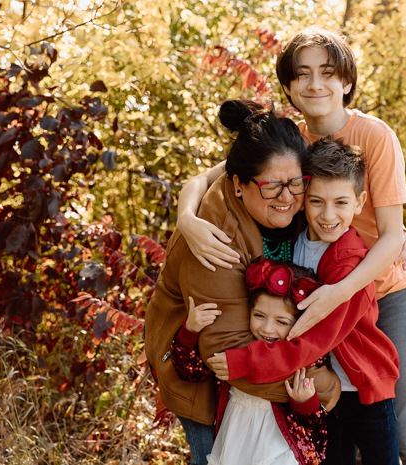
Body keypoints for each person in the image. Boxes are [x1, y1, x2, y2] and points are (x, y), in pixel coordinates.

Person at [176, 27, 406, 465]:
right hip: (314, 291)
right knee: (331, 416)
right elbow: (207, 178)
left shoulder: (375, 136)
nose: (315, 83)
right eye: (302, 74)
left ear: (347, 81)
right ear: (288, 86)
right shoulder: (292, 141)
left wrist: (337, 294)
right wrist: (186, 219)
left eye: (327, 72)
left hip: (381, 291)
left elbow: (393, 235)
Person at [143, 99, 341, 465]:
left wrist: (392, 237)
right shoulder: (215, 238)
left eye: (296, 183)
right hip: (204, 381)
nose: (287, 198)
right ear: (238, 185)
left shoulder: (288, 184)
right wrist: (323, 387)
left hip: (266, 370)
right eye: (271, 188)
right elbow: (225, 352)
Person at [208, 137, 401, 465]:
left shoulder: (350, 261)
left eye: (341, 203)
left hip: (364, 389)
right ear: (303, 198)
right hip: (320, 391)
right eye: (316, 202)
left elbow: (314, 339)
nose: (328, 215)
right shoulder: (291, 238)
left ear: (359, 202)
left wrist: (248, 361)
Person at [171, 259, 330, 465]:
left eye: (281, 322)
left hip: (279, 448)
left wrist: (306, 404)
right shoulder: (238, 348)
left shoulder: (302, 361)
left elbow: (316, 438)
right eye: (259, 316)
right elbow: (191, 372)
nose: (267, 329)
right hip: (234, 442)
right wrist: (190, 331)